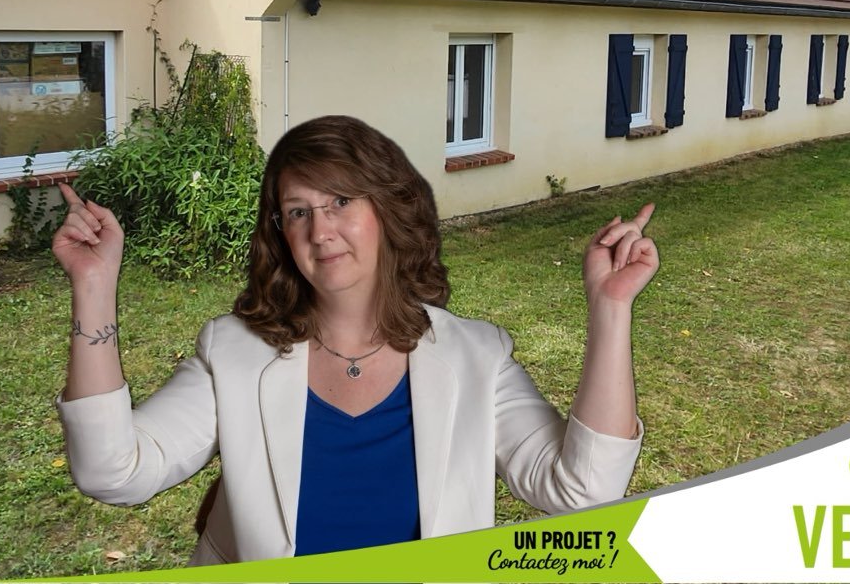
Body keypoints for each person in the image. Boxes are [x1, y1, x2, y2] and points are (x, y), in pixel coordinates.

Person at [53, 115, 659, 565]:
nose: (320, 231)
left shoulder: (478, 358)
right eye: (298, 211)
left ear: (388, 211)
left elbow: (583, 490)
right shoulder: (233, 352)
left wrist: (610, 308)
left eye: (340, 201)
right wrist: (94, 285)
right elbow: (113, 471)